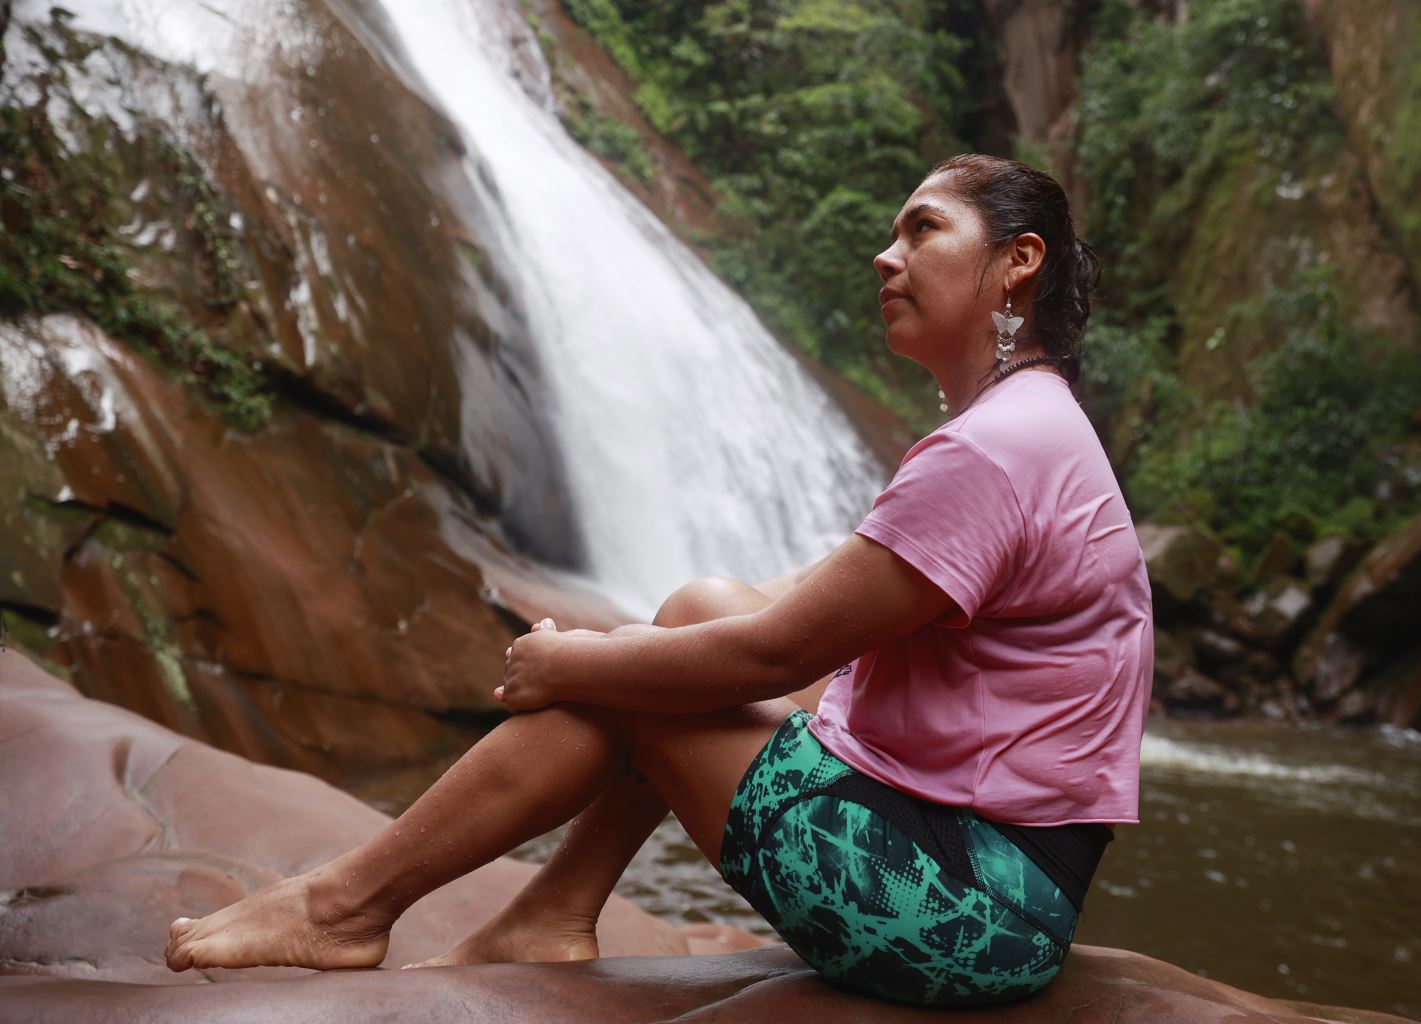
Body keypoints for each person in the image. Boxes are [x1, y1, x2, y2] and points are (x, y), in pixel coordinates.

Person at [163, 153, 1153, 1008]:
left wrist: (582, 665)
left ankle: (344, 908)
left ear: (1018, 261)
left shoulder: (990, 452)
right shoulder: (1030, 427)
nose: (885, 257)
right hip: (997, 883)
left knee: (651, 681)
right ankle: (547, 913)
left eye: (922, 229)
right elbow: (790, 605)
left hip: (964, 916)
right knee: (692, 616)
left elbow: (776, 654)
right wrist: (627, 650)